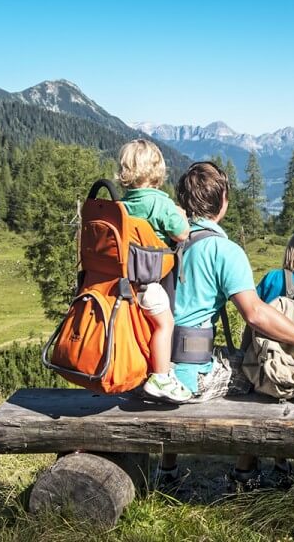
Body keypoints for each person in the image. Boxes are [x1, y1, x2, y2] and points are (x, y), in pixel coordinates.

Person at [156, 162, 294, 485]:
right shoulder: (224, 250)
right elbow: (255, 314)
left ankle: (167, 470)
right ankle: (245, 474)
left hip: (153, 369)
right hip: (190, 380)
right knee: (254, 373)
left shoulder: (164, 240)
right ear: (223, 201)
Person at [232, 229, 294, 487]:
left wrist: (244, 354)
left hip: (264, 367)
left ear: (292, 252)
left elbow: (252, 320)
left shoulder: (271, 279)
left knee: (256, 413)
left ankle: (245, 472)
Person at [118, 139, 192, 404]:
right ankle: (161, 377)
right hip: (150, 283)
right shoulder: (161, 204)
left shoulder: (122, 206)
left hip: (125, 285)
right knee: (165, 324)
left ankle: (143, 372)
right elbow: (182, 233)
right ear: (157, 169)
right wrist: (181, 215)